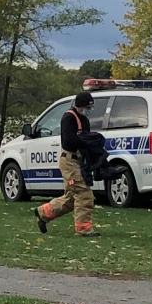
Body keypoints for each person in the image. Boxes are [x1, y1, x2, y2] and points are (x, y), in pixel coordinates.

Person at [37, 88, 102, 237]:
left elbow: (84, 139)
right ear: (81, 105)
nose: (89, 110)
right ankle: (84, 229)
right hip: (69, 161)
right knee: (84, 193)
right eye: (88, 107)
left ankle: (43, 213)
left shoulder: (84, 120)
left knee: (72, 198)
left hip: (79, 161)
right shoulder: (68, 118)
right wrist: (87, 141)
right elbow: (69, 141)